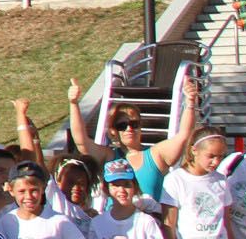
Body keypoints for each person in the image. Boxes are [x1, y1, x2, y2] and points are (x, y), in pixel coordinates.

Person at [62, 68, 201, 201]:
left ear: (140, 127)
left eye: (134, 124)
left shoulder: (155, 155)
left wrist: (190, 102)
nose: (129, 129)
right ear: (113, 131)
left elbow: (184, 135)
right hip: (117, 224)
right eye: (122, 126)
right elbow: (81, 142)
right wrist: (73, 104)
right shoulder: (109, 157)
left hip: (150, 222)